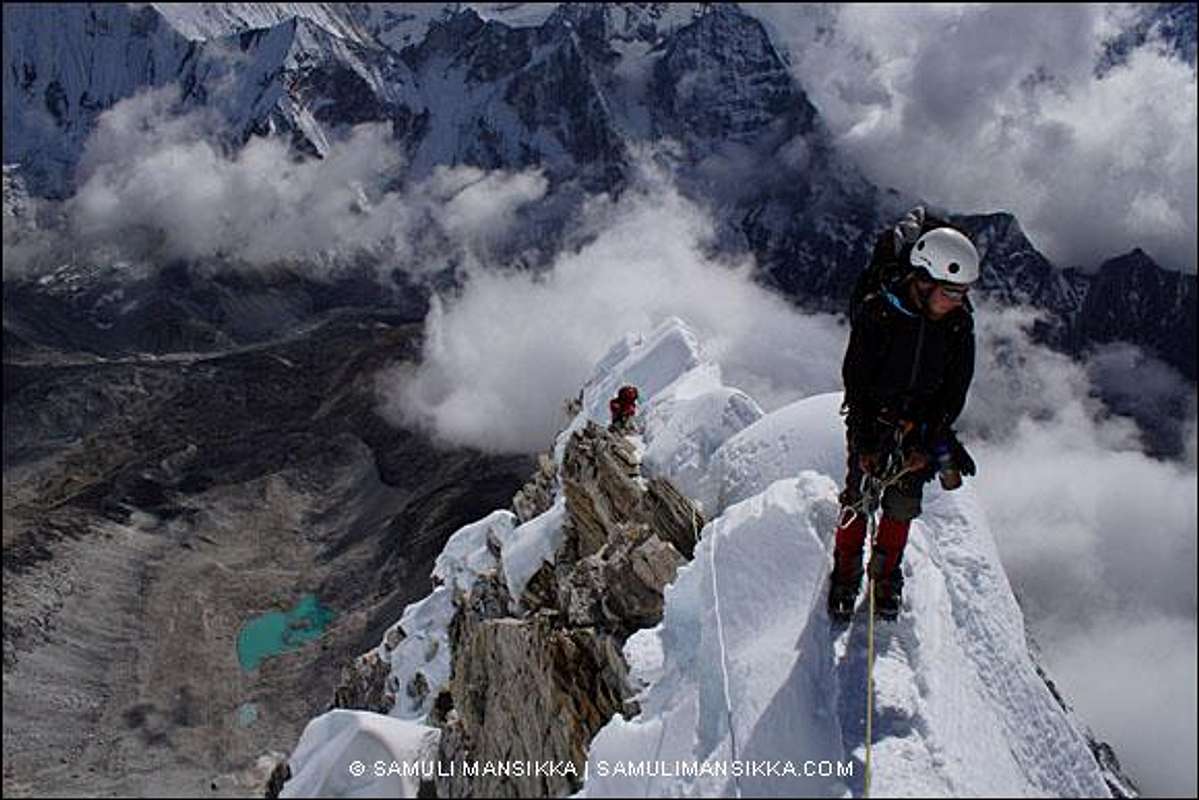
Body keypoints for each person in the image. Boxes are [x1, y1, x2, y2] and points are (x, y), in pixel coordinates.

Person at [829, 214, 980, 621]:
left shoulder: (957, 327)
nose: (957, 301)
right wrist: (864, 438)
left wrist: (931, 435)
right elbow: (856, 379)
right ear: (924, 280)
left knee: (902, 505)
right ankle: (844, 574)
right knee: (859, 499)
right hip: (872, 420)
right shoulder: (879, 313)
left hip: (920, 426)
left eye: (962, 293)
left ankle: (885, 576)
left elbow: (954, 390)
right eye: (950, 292)